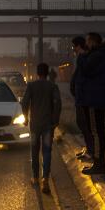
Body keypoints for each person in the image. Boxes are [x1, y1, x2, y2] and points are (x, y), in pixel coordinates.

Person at [79, 32, 105, 175]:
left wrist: (82, 56)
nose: (87, 44)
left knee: (96, 132)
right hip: (100, 98)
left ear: (93, 42)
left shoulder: (96, 56)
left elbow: (85, 71)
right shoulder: (104, 56)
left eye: (88, 41)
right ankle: (99, 162)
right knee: (99, 132)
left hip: (95, 99)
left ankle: (99, 164)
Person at [21, 62, 62, 193]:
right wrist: (55, 121)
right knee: (47, 151)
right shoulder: (52, 86)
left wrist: (26, 117)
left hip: (35, 125)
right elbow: (58, 104)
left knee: (34, 150)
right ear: (47, 72)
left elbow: (25, 102)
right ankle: (45, 179)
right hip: (48, 125)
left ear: (37, 73)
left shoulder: (31, 86)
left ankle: (35, 177)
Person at [69, 36, 93, 162]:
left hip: (84, 98)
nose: (73, 48)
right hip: (80, 97)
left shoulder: (84, 58)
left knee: (85, 124)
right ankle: (88, 148)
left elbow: (83, 78)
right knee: (81, 123)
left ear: (78, 46)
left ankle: (91, 150)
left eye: (74, 46)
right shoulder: (81, 58)